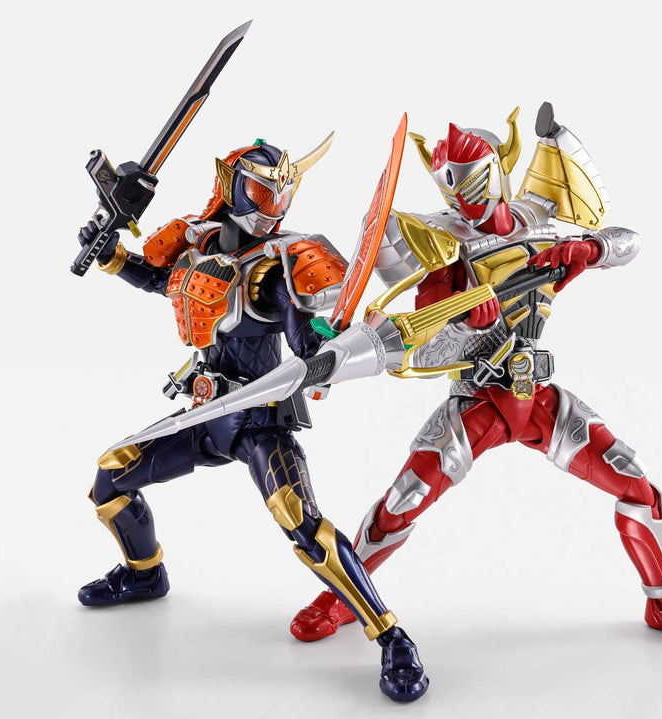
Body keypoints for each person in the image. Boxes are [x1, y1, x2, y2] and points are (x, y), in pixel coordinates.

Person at [290, 104, 662, 646]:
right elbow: (424, 344)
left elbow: (630, 242)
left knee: (637, 484)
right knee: (404, 500)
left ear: (498, 170)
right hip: (478, 400)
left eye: (475, 184)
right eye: (454, 190)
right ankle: (342, 597)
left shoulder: (540, 217)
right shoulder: (442, 242)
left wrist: (590, 248)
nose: (467, 201)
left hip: (537, 396)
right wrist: (463, 319)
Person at [75, 136, 429, 702]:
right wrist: (111, 255)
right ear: (232, 185)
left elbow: (301, 330)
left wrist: (325, 343)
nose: (273, 207)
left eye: (281, 194)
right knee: (109, 478)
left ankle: (392, 637)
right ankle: (144, 573)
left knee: (301, 520)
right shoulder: (197, 243)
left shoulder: (277, 268)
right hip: (204, 416)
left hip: (259, 419)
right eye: (263, 192)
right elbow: (162, 281)